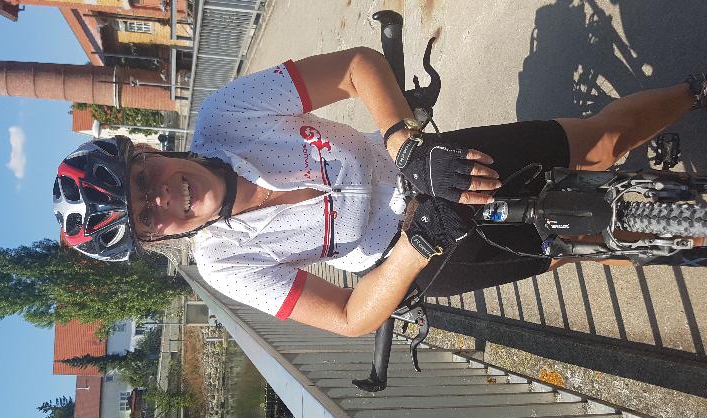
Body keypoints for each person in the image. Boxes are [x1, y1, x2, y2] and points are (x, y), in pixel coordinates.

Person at [52, 47, 707, 337]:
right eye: (147, 218)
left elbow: (355, 66)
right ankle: (676, 229)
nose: (163, 198)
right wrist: (416, 245)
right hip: (411, 257)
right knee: (579, 241)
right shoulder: (223, 263)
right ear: (156, 237)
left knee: (599, 144)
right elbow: (348, 317)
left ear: (145, 153)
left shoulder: (227, 115)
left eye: (143, 180)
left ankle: (694, 91)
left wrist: (408, 149)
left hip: (423, 166)